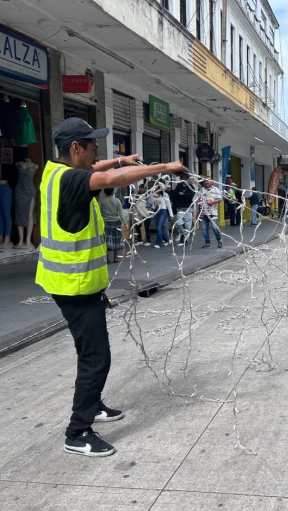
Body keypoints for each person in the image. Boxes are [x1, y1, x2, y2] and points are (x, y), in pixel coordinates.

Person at [35, 117, 185, 457]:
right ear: (75, 149)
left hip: (70, 282)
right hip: (74, 285)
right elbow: (107, 178)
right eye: (91, 147)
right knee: (96, 358)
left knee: (90, 353)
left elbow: (102, 168)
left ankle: (94, 405)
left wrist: (121, 159)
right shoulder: (75, 179)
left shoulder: (53, 172)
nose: (95, 152)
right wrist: (164, 166)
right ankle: (78, 431)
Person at [98, 188, 127, 263]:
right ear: (113, 192)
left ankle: (108, 259)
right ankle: (116, 258)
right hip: (116, 222)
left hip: (106, 223)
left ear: (104, 192)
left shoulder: (102, 201)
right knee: (116, 240)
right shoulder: (117, 201)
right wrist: (125, 223)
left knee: (107, 241)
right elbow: (121, 213)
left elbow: (99, 213)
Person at [172, 176, 196, 246]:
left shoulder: (191, 187)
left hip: (188, 208)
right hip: (180, 208)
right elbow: (175, 195)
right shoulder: (179, 186)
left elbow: (191, 195)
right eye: (183, 179)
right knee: (179, 223)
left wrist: (183, 194)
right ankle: (183, 234)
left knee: (187, 225)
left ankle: (184, 240)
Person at [199, 179, 223, 248]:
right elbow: (197, 199)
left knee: (214, 228)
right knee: (204, 229)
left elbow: (220, 199)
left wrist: (213, 202)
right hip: (203, 213)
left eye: (207, 182)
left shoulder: (216, 189)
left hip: (213, 213)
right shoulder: (201, 190)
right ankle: (207, 243)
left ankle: (219, 240)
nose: (206, 183)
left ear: (211, 183)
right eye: (205, 182)